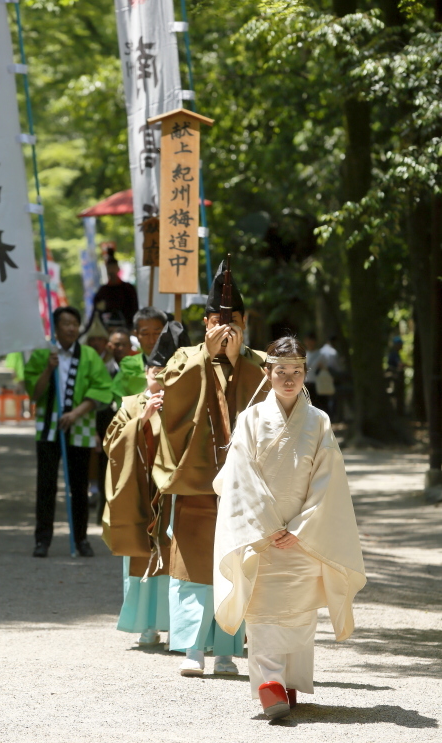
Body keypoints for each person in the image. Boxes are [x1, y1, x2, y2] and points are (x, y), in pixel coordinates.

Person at [213, 336, 365, 720]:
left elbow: (328, 480)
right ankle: (269, 684)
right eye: (281, 371)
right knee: (263, 612)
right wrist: (267, 526)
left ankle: (289, 681)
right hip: (260, 535)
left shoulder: (319, 421)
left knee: (298, 613)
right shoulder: (249, 420)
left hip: (303, 535)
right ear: (268, 373)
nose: (289, 379)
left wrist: (300, 527)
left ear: (305, 374)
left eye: (297, 372)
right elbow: (239, 477)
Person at [153, 260, 270, 676]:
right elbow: (171, 405)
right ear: (205, 323)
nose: (227, 330)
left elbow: (273, 415)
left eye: (234, 321)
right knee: (191, 564)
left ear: (245, 321)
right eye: (219, 323)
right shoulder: (187, 358)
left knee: (236, 564)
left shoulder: (260, 364)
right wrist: (210, 355)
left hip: (242, 487)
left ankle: (225, 651)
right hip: (198, 481)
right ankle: (190, 650)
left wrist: (239, 361)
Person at [103, 321, 190, 647]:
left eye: (165, 373)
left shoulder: (185, 404)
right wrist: (140, 423)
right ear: (147, 373)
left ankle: (179, 629)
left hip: (175, 493)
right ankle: (146, 625)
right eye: (154, 372)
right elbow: (111, 443)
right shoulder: (130, 404)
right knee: (143, 558)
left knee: (179, 561)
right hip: (143, 494)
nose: (158, 379)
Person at [25, 306, 113, 558]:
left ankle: (81, 538)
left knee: (79, 486)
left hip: (80, 427)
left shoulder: (88, 355)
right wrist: (48, 369)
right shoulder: (43, 354)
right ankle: (42, 540)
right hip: (48, 428)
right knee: (46, 485)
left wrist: (76, 413)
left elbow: (102, 389)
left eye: (75, 323)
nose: (72, 328)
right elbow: (34, 393)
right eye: (66, 323)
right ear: (55, 327)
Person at [112, 307, 167, 403]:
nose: (152, 340)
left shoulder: (178, 362)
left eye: (157, 333)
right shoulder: (128, 365)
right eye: (145, 334)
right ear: (136, 334)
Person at [93, 249, 139, 329]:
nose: (111, 270)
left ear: (118, 268)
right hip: (107, 328)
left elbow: (134, 309)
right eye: (109, 268)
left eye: (113, 267)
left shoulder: (128, 289)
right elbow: (96, 312)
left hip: (126, 327)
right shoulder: (103, 291)